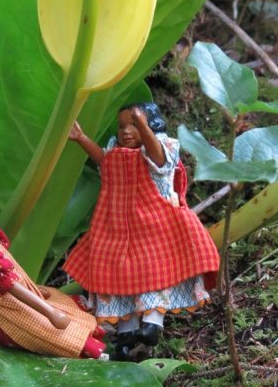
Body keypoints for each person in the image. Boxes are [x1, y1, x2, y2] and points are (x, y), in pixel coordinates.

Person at [64, 102, 220, 360]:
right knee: (117, 280)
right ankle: (126, 336)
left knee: (153, 276)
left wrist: (144, 127)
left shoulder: (161, 148)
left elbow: (158, 158)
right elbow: (105, 163)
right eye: (123, 126)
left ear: (151, 125)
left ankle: (151, 324)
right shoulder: (116, 152)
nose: (127, 131)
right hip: (114, 228)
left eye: (134, 125)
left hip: (153, 228)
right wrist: (81, 138)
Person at [0, 190, 107, 359]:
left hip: (19, 298)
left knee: (67, 308)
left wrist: (34, 289)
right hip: (11, 311)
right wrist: (50, 313)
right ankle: (95, 354)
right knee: (57, 334)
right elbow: (11, 287)